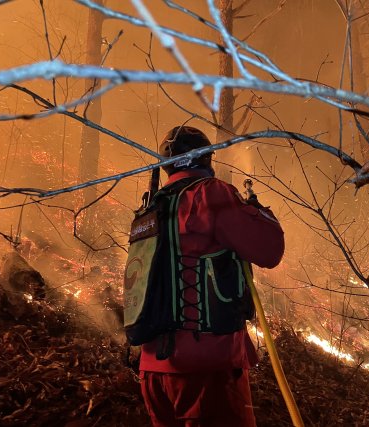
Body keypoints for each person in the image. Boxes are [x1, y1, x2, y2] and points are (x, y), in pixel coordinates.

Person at [137, 125, 285, 427]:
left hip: (152, 371)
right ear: (206, 159)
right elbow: (270, 250)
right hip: (205, 370)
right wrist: (255, 209)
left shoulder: (150, 207)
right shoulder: (209, 194)